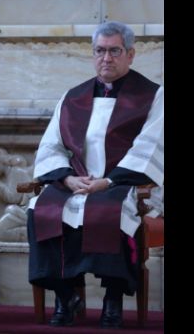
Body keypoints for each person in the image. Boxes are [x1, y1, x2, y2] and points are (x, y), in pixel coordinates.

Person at [26, 21, 163, 328]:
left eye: (115, 51)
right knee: (42, 210)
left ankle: (112, 300)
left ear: (131, 54)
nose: (106, 58)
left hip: (123, 184)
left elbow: (150, 145)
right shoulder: (73, 98)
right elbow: (52, 144)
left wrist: (109, 181)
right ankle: (65, 296)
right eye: (100, 50)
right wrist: (66, 179)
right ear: (92, 54)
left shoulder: (153, 96)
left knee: (109, 213)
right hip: (77, 182)